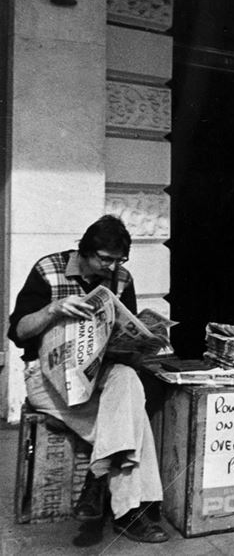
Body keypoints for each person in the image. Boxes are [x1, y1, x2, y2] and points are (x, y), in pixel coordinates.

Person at [7, 215, 168, 543]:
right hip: (49, 379)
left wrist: (139, 341)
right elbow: (18, 331)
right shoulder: (48, 269)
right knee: (131, 422)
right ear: (85, 251)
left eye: (119, 260)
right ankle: (130, 512)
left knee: (127, 379)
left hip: (99, 375)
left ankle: (97, 480)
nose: (111, 268)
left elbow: (124, 337)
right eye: (105, 259)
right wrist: (54, 309)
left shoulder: (121, 279)